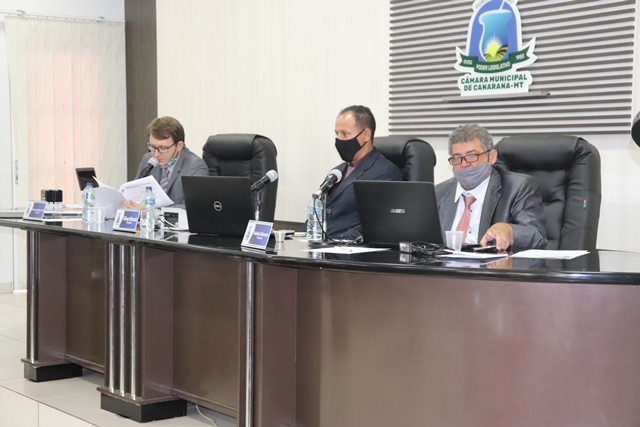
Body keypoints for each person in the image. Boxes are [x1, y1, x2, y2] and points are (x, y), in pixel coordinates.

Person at [435, 124, 547, 252]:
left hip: (491, 263)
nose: (464, 164)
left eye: (472, 156)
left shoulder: (518, 187)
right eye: (457, 158)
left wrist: (509, 231)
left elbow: (537, 236)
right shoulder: (438, 193)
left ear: (491, 157)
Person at [322, 105, 402, 239]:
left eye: (345, 134)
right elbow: (319, 213)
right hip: (320, 244)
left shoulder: (386, 172)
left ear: (366, 135)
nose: (339, 139)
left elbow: (378, 221)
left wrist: (343, 241)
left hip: (348, 247)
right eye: (337, 134)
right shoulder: (337, 172)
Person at [123, 116, 209, 208]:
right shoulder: (148, 160)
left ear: (179, 146)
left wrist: (151, 211)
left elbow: (192, 207)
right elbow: (135, 195)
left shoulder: (195, 167)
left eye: (163, 148)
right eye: (152, 147)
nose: (156, 154)